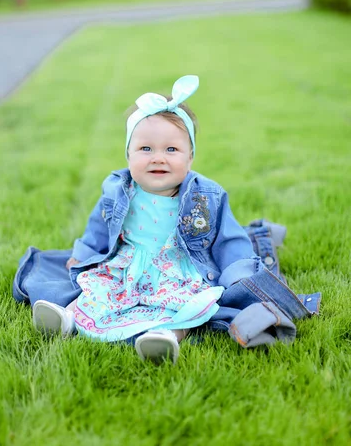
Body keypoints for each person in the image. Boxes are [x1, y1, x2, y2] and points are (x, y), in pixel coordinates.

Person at [32, 75, 268, 363]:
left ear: (190, 157)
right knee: (98, 286)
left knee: (187, 304)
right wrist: (84, 253)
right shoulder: (119, 189)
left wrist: (238, 274)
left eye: (171, 150)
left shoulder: (206, 196)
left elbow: (229, 237)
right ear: (128, 155)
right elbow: (99, 225)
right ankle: (67, 318)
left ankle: (166, 337)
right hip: (129, 263)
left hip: (177, 265)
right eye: (146, 149)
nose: (158, 158)